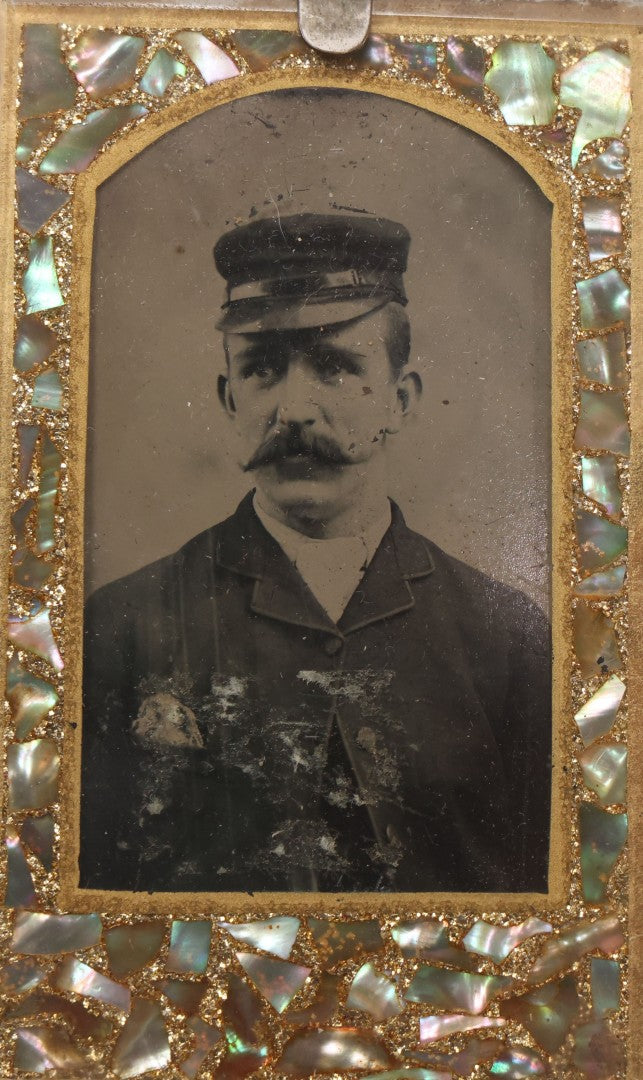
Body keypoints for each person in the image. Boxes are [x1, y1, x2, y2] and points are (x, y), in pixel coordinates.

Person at [80, 211, 551, 894]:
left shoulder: (504, 637)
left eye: (335, 367)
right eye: (262, 370)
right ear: (228, 398)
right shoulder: (122, 625)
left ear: (400, 398)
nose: (293, 409)